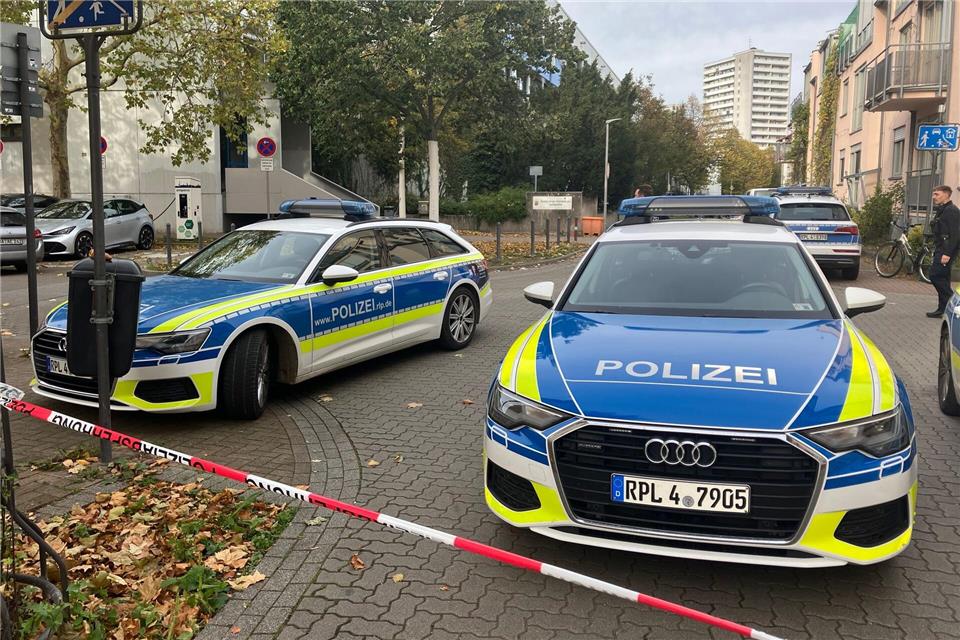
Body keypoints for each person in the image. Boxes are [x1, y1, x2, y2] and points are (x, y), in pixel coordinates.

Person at [926, 185, 960, 317]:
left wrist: (947, 253)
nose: (934, 197)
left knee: (935, 276)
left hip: (946, 250)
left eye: (937, 194)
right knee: (944, 279)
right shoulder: (943, 209)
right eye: (934, 194)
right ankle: (943, 309)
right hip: (941, 248)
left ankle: (954, 304)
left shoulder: (951, 211)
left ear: (946, 194)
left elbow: (955, 235)